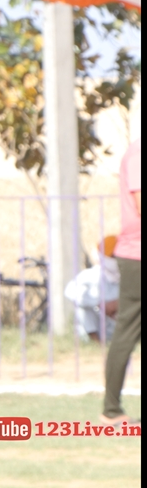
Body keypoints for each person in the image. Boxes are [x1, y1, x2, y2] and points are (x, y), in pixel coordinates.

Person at [102, 140, 141, 424]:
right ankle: (111, 410)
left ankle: (111, 409)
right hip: (138, 255)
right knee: (127, 330)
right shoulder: (140, 152)